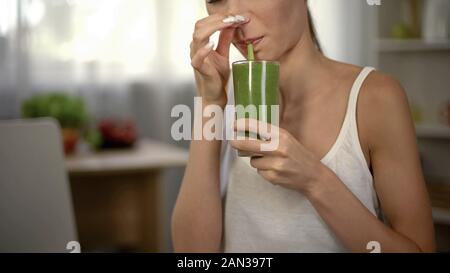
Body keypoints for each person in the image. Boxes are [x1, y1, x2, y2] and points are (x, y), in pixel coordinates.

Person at [172, 0, 435, 253]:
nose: (235, 17)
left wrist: (315, 181)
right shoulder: (226, 96)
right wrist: (210, 102)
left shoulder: (375, 97)